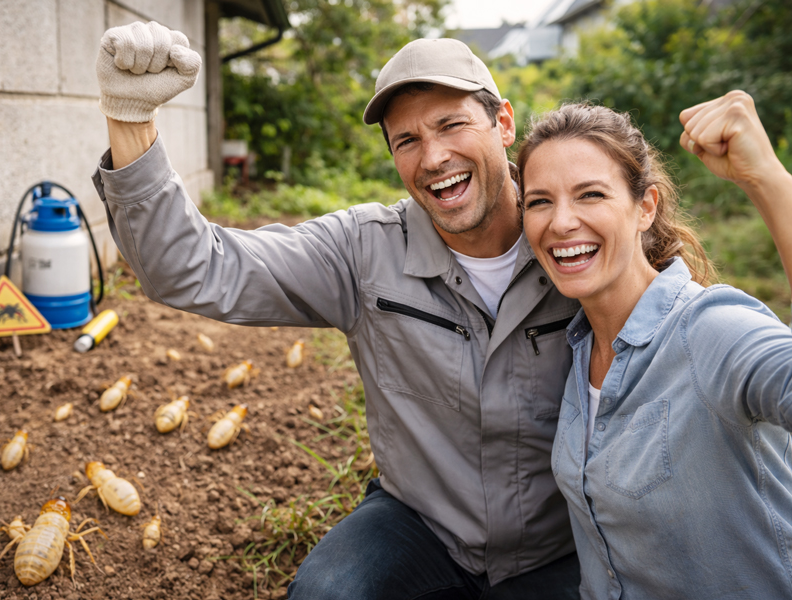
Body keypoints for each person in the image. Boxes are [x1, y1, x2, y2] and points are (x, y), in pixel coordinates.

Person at [93, 22, 584, 598]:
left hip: (560, 543)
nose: (434, 157)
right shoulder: (364, 252)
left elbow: (690, 346)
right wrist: (130, 118)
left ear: (502, 122)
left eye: (452, 125)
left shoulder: (575, 241)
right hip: (422, 525)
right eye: (407, 140)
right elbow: (196, 267)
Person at [517, 92, 792, 598]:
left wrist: (768, 180)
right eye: (539, 201)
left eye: (591, 195)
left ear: (645, 207)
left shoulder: (711, 329)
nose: (560, 222)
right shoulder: (576, 349)